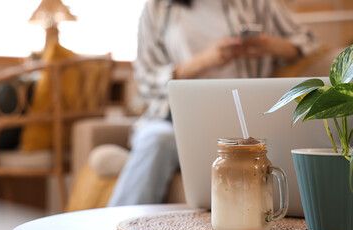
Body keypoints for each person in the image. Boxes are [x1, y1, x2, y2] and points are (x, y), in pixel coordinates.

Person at [107, 0, 319, 206]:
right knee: (156, 139)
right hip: (175, 120)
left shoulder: (258, 3)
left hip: (244, 120)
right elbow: (146, 77)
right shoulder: (158, 7)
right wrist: (206, 60)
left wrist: (269, 45)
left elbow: (308, 41)